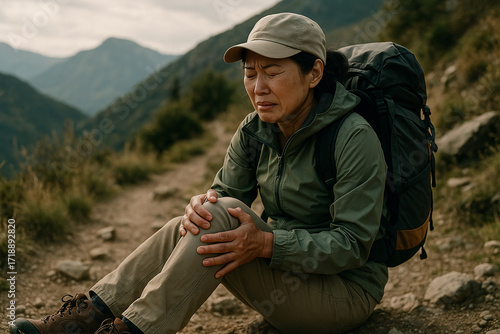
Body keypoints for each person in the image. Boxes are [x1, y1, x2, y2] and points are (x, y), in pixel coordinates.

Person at [10, 12, 387, 334]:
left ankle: (139, 328)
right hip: (286, 275)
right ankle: (89, 315)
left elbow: (353, 244)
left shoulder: (351, 137)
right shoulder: (255, 130)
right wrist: (200, 207)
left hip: (343, 293)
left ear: (314, 73)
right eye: (250, 73)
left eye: (272, 72)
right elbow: (220, 200)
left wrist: (267, 244)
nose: (258, 88)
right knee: (194, 219)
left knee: (216, 218)